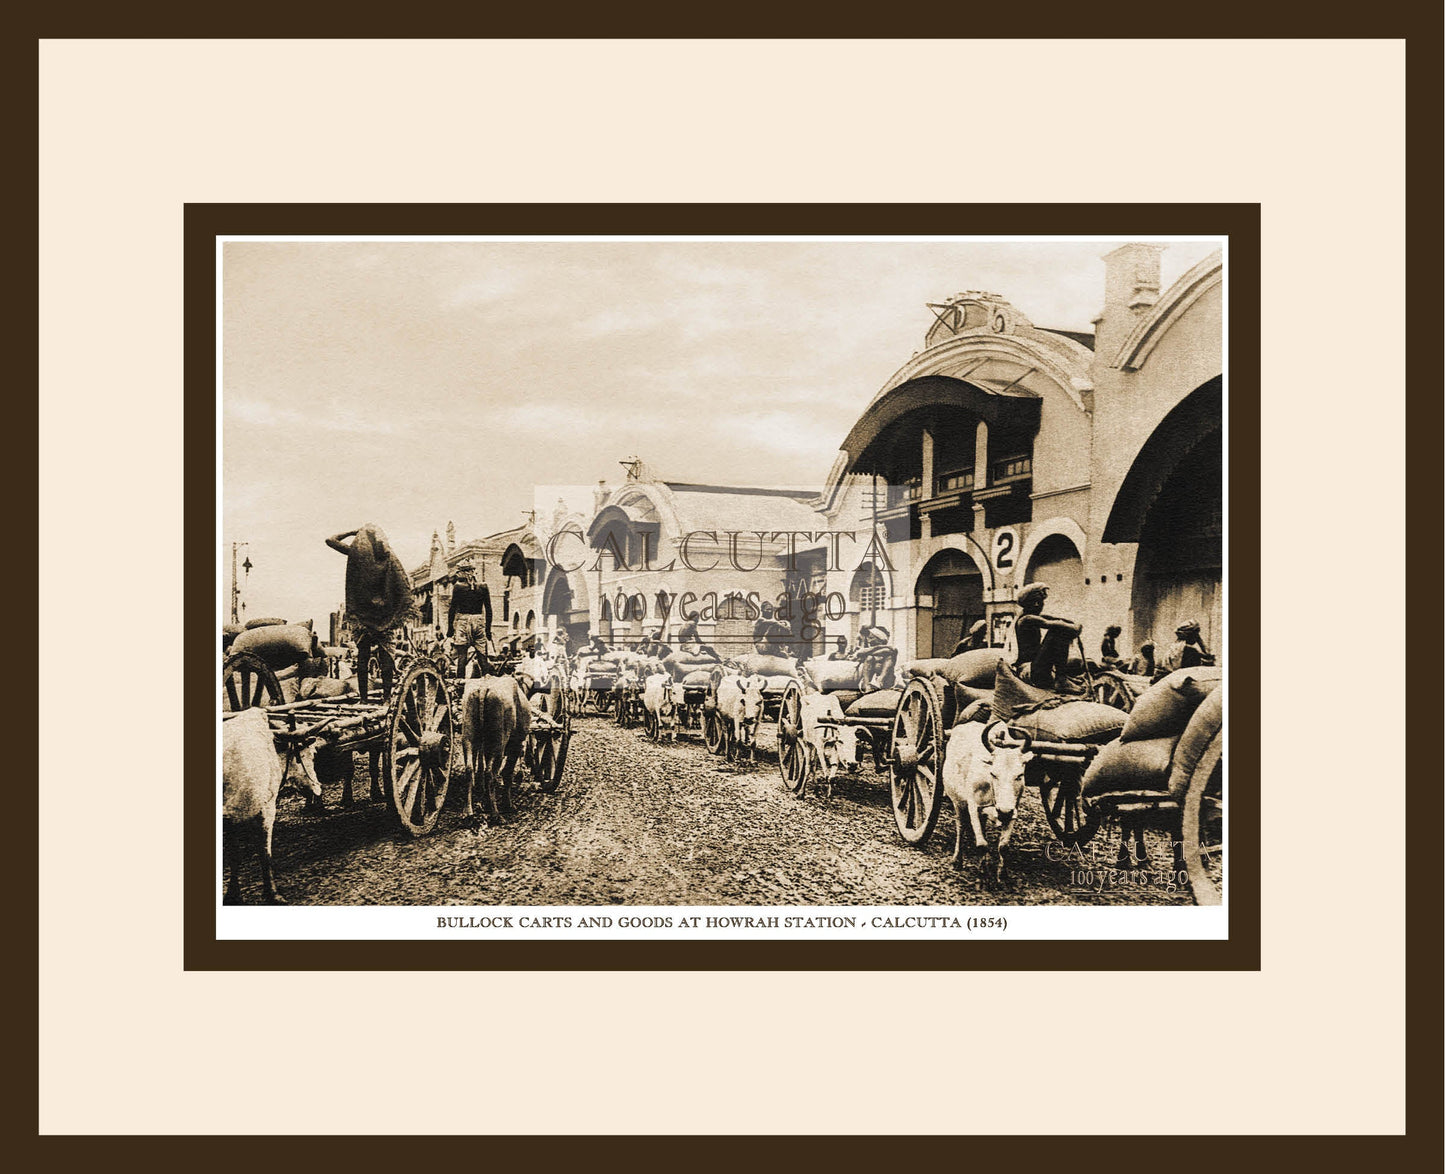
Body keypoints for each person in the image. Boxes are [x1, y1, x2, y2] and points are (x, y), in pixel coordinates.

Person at [327, 524, 413, 702]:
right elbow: (403, 587)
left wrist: (351, 532)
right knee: (386, 659)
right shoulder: (390, 558)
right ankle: (387, 698)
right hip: (384, 617)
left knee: (363, 658)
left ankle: (364, 699)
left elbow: (331, 540)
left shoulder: (357, 555)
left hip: (363, 616)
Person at [1011, 582, 1083, 692]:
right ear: (1036, 603)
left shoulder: (1033, 617)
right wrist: (1074, 627)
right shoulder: (1027, 620)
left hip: (1037, 667)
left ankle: (1062, 678)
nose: (1042, 605)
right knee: (1057, 631)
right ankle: (1061, 679)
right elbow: (1059, 625)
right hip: (1031, 671)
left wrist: (1070, 623)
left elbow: (1059, 620)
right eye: (1041, 602)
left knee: (1076, 661)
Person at [447, 562, 493, 680]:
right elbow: (488, 609)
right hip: (479, 621)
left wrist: (450, 629)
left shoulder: (458, 587)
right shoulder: (483, 586)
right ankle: (487, 681)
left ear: (463, 572)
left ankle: (460, 687)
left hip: (463, 621)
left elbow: (452, 609)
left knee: (462, 656)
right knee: (482, 656)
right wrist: (488, 629)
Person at [855, 625, 897, 691]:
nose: (868, 640)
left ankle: (880, 681)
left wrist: (866, 652)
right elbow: (860, 653)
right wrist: (878, 647)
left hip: (887, 681)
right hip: (869, 679)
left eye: (871, 638)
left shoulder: (889, 650)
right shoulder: (872, 650)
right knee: (869, 658)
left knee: (889, 657)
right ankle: (867, 685)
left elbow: (887, 651)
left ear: (879, 639)